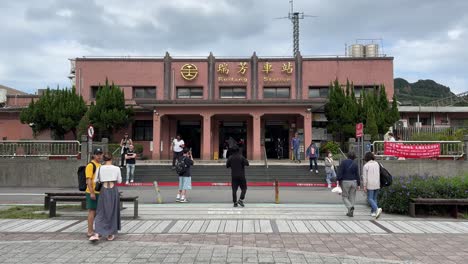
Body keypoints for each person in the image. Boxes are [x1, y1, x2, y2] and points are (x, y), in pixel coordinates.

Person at [89, 152, 122, 241]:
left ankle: (97, 233)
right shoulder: (116, 168)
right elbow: (119, 180)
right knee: (112, 211)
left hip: (103, 190)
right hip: (113, 190)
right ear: (112, 159)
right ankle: (110, 234)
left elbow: (96, 180)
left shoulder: (99, 168)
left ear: (103, 159)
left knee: (101, 211)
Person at [85, 148, 103, 237]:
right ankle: (90, 231)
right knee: (92, 211)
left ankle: (96, 230)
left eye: (100, 154)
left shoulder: (100, 165)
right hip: (91, 192)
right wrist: (92, 193)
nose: (99, 156)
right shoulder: (91, 165)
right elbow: (88, 180)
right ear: (93, 155)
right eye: (97, 154)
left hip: (99, 192)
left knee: (97, 212)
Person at [337, 151, 360, 217]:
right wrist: (358, 184)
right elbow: (357, 174)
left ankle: (350, 207)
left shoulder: (343, 163)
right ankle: (350, 212)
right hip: (354, 182)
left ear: (347, 156)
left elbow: (340, 172)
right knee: (352, 197)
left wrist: (338, 180)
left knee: (344, 196)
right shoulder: (355, 164)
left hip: (345, 181)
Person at [363, 152, 383, 219]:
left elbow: (364, 177)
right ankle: (373, 212)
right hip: (377, 183)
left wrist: (364, 185)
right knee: (374, 198)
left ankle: (376, 209)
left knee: (370, 198)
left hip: (370, 184)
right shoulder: (377, 164)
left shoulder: (366, 166)